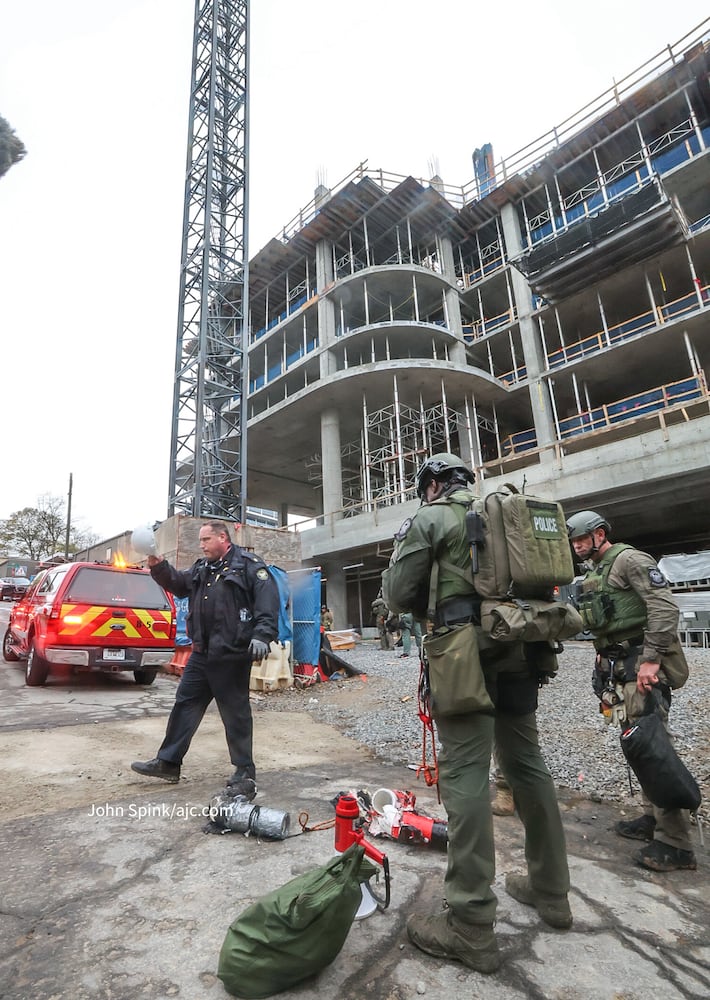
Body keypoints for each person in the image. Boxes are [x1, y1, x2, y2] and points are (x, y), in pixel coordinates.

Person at [382, 453, 571, 975]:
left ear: (434, 484)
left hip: (465, 655)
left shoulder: (432, 516)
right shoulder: (507, 511)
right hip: (523, 649)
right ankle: (552, 892)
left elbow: (399, 596)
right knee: (527, 765)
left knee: (466, 773)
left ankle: (469, 922)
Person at [566, 509, 696, 872]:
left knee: (655, 750)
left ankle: (677, 844)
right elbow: (607, 618)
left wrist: (651, 660)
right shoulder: (596, 570)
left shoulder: (630, 560)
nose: (577, 545)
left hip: (642, 666)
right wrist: (601, 656)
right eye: (573, 541)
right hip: (618, 667)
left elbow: (663, 607)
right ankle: (652, 818)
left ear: (600, 534)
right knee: (637, 744)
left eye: (581, 538)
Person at [131, 520, 279, 799]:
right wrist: (157, 564)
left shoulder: (249, 565)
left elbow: (267, 602)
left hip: (232, 653)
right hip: (202, 653)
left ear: (223, 538)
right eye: (201, 541)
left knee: (235, 713)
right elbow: (179, 584)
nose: (201, 545)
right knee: (185, 705)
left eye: (206, 540)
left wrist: (262, 635)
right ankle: (168, 762)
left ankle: (244, 770)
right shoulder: (203, 568)